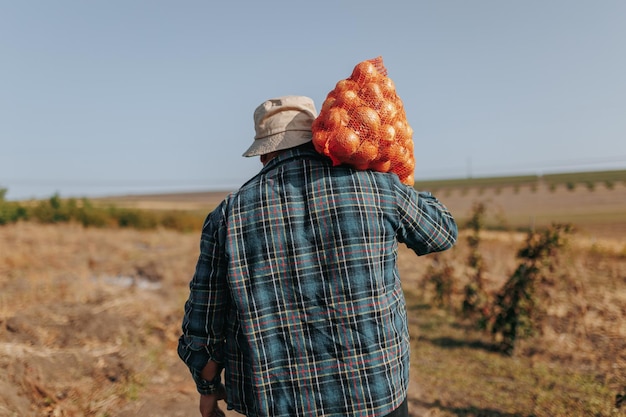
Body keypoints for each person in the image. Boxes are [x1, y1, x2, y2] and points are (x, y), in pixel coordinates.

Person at [178, 95, 458, 417]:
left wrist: (208, 391)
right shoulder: (378, 187)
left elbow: (204, 325)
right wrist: (399, 179)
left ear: (263, 154)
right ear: (319, 137)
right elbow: (442, 233)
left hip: (279, 404)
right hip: (376, 396)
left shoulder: (228, 215)